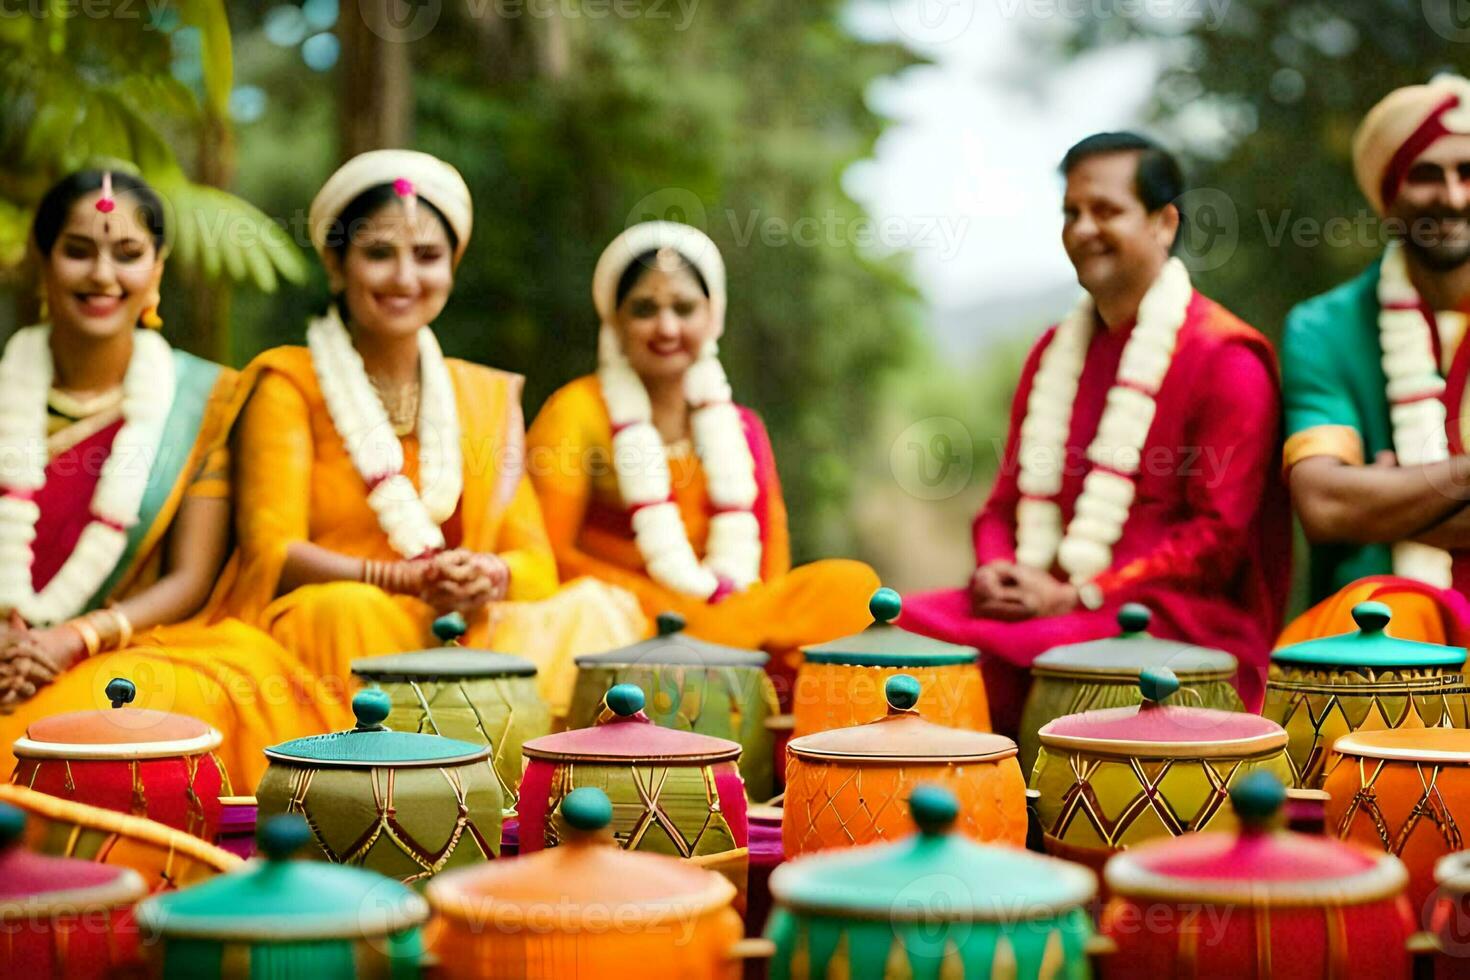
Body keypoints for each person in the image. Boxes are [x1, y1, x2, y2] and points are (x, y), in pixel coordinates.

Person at [218, 150, 646, 718]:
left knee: (592, 609)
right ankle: (386, 782)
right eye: (378, 253)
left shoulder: (480, 395)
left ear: (451, 267)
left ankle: (527, 786)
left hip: (462, 626)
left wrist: (488, 575)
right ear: (336, 265)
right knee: (347, 609)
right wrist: (403, 577)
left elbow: (535, 564)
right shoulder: (290, 383)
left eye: (426, 256)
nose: (404, 278)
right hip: (338, 628)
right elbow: (274, 551)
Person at [900, 133, 1290, 735]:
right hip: (1042, 609)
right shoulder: (1054, 353)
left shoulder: (1226, 357)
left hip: (1170, 624)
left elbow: (1215, 542)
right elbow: (1003, 505)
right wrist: (998, 571)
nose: (1083, 229)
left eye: (1105, 211)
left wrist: (1080, 595)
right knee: (888, 631)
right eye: (1071, 213)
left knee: (964, 660)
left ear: (1164, 223)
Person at [0, 168, 342, 787]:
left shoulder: (201, 400)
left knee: (99, 723)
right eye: (79, 250)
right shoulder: (8, 391)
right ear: (42, 262)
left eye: (127, 254)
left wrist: (75, 638)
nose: (103, 275)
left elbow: (190, 576)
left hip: (123, 647)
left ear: (156, 271)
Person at [525, 221, 880, 699]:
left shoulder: (741, 426)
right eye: (645, 309)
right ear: (616, 321)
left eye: (684, 308)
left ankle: (744, 667)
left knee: (851, 585)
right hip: (630, 627)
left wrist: (732, 617)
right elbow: (546, 555)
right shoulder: (578, 411)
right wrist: (671, 608)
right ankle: (738, 673)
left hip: (732, 616)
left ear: (712, 317)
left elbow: (771, 567)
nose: (667, 328)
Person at [1279, 74, 1470, 647]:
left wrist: (1392, 493)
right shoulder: (1324, 328)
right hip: (1376, 627)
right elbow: (1327, 505)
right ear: (1389, 196)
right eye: (1426, 175)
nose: (1454, 197)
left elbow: (1356, 502)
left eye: (1467, 173)